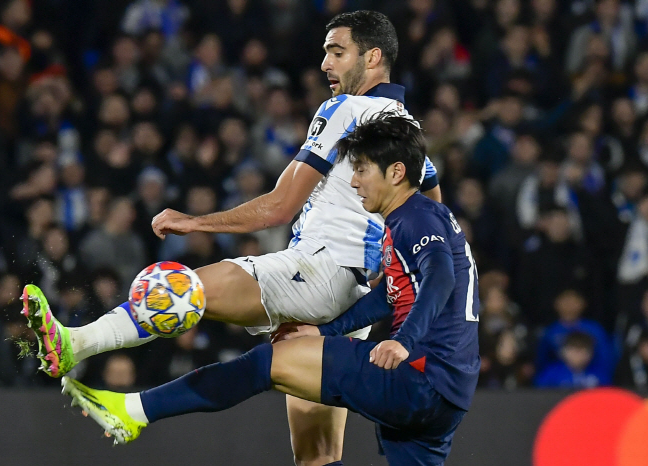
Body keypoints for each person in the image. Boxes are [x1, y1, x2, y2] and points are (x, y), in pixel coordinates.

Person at [22, 11, 441, 466]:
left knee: (183, 289)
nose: (325, 64)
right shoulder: (407, 127)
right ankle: (127, 402)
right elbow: (434, 213)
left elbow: (281, 206)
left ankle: (78, 344)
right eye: (325, 52)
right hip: (355, 301)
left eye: (337, 52)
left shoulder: (346, 110)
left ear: (373, 56)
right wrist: (391, 266)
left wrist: (197, 223)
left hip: (321, 271)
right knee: (317, 455)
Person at [59, 114, 480, 466]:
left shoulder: (415, 219)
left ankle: (134, 411)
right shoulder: (425, 217)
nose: (354, 182)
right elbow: (392, 292)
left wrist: (403, 342)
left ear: (397, 172)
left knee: (266, 364)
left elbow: (441, 277)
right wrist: (324, 332)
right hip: (450, 397)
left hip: (418, 378)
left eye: (363, 169)